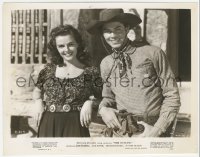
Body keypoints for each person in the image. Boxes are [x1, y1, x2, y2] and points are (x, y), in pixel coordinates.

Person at [87, 9, 181, 137]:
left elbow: (172, 96)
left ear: (127, 29)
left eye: (118, 29)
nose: (113, 35)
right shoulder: (106, 63)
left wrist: (157, 130)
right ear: (102, 34)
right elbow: (108, 98)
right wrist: (103, 109)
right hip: (121, 131)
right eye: (107, 31)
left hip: (152, 129)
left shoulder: (153, 53)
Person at [32, 24, 101, 137]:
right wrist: (38, 102)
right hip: (49, 123)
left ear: (78, 44)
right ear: (56, 48)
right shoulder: (48, 70)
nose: (67, 50)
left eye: (71, 44)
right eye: (61, 46)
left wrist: (90, 103)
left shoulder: (90, 72)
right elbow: (37, 92)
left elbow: (102, 97)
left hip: (76, 125)